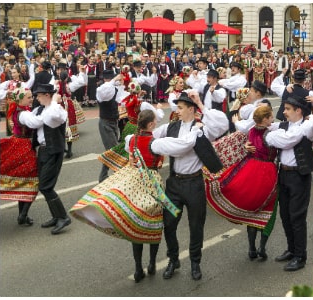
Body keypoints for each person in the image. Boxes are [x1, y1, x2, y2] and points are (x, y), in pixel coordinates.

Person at [70, 109, 196, 283]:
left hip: (133, 181)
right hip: (151, 183)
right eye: (155, 123)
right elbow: (179, 146)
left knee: (135, 219)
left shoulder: (132, 139)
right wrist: (195, 131)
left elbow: (131, 154)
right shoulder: (156, 143)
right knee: (153, 223)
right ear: (151, 124)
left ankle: (138, 268)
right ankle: (151, 263)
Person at [151, 90, 228, 280]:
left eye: (180, 107)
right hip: (174, 185)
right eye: (177, 107)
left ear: (191, 109)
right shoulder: (171, 127)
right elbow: (149, 135)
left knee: (196, 226)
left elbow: (222, 124)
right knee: (169, 224)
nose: (176, 110)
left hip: (194, 184)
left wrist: (201, 104)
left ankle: (195, 262)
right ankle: (173, 259)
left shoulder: (202, 128)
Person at [211, 104, 280, 261]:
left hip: (250, 168)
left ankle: (251, 248)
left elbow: (245, 138)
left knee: (252, 211)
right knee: (269, 210)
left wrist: (246, 146)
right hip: (267, 172)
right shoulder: (270, 135)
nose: (273, 118)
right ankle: (262, 247)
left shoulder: (251, 131)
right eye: (270, 116)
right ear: (264, 119)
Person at [264, 96, 313, 271]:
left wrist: (273, 136)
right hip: (283, 173)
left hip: (299, 176)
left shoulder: (307, 126)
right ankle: (292, 250)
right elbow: (267, 130)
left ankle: (300, 256)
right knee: (285, 215)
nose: (283, 112)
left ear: (298, 110)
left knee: (297, 217)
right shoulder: (285, 126)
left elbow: (285, 140)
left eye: (287, 108)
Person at [17, 83, 73, 235]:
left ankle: (63, 217)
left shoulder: (58, 109)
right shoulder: (40, 109)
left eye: (39, 95)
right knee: (43, 184)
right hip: (42, 150)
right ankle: (56, 216)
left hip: (54, 150)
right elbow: (32, 122)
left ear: (47, 95)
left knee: (46, 186)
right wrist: (31, 116)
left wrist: (54, 101)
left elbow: (51, 117)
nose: (36, 98)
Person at [0, 88, 40, 226]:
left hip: (18, 144)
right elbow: (36, 122)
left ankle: (23, 215)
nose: (31, 99)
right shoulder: (24, 114)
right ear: (21, 99)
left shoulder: (19, 110)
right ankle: (23, 215)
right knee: (33, 181)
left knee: (25, 181)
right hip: (25, 147)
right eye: (29, 97)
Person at [50, 63, 88, 159]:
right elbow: (81, 82)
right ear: (67, 78)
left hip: (59, 106)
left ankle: (62, 149)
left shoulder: (55, 85)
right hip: (68, 106)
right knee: (69, 128)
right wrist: (81, 72)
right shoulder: (70, 85)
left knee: (60, 128)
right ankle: (69, 150)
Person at [95, 69, 124, 182]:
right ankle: (119, 174)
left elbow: (121, 99)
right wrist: (113, 81)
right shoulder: (101, 89)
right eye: (110, 78)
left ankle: (103, 177)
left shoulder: (113, 88)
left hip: (113, 121)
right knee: (114, 150)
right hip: (105, 122)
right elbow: (105, 90)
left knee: (111, 151)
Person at [0, 62, 36, 136]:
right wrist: (6, 92)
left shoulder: (22, 84)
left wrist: (31, 66)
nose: (12, 74)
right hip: (10, 105)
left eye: (14, 72)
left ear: (19, 73)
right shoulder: (8, 83)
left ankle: (20, 136)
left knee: (18, 124)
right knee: (11, 124)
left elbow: (32, 80)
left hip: (19, 107)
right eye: (12, 73)